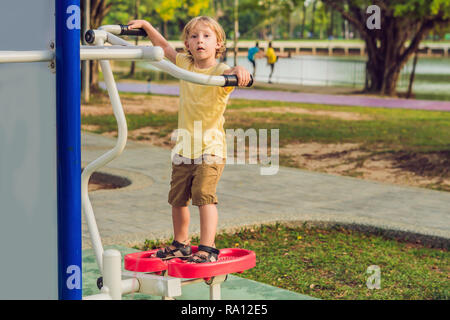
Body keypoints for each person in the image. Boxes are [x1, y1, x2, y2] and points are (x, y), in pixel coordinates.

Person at [127, 17, 251, 263]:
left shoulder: (220, 72)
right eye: (194, 37)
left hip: (211, 149)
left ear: (218, 44)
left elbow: (233, 72)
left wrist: (239, 71)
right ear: (187, 43)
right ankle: (180, 244)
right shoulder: (185, 64)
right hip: (184, 148)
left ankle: (208, 248)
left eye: (206, 36)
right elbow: (164, 48)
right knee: (178, 198)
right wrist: (148, 27)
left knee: (204, 196)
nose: (200, 41)